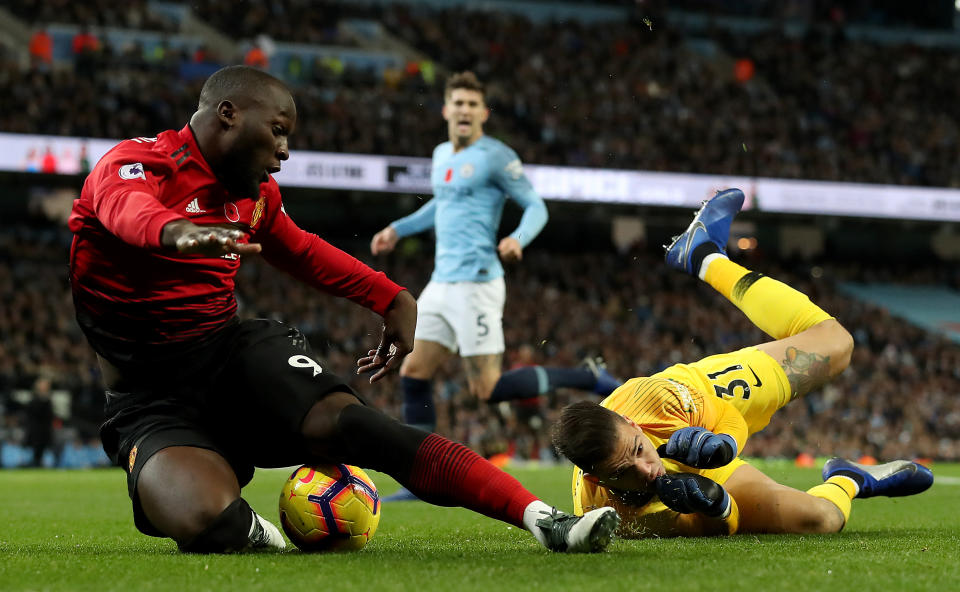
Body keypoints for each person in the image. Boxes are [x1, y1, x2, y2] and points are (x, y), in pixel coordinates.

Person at [68, 65, 619, 554]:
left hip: (230, 356)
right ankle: (253, 529)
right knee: (205, 521)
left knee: (360, 426)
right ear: (228, 114)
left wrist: (391, 295)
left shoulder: (256, 196)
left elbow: (304, 251)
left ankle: (543, 520)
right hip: (147, 397)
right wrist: (174, 233)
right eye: (278, 131)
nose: (284, 152)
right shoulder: (139, 163)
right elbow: (126, 210)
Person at [552, 189, 934, 538]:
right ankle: (849, 477)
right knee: (821, 521)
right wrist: (715, 504)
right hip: (698, 479)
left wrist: (722, 445)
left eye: (638, 450)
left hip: (703, 404)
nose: (647, 471)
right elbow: (719, 526)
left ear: (633, 425)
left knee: (836, 344)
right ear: (595, 477)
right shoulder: (608, 513)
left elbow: (726, 417)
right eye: (623, 473)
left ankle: (703, 256)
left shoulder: (651, 399)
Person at [370, 72, 619, 498]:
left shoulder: (497, 156)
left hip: (478, 284)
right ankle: (418, 478)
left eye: (472, 104)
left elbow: (536, 207)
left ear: (482, 113)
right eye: (458, 103)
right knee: (414, 370)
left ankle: (586, 376)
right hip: (441, 284)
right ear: (446, 110)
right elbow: (442, 204)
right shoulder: (440, 154)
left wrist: (517, 238)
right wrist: (397, 228)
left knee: (486, 389)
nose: (464, 111)